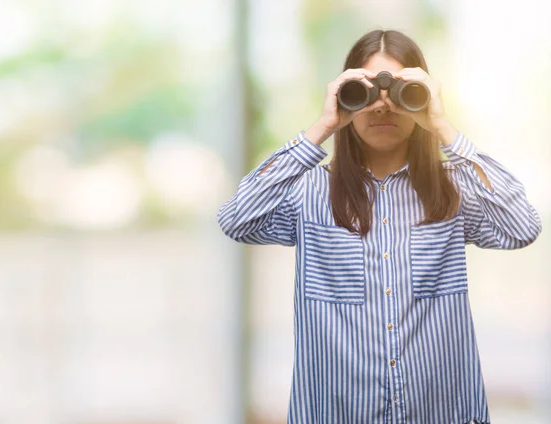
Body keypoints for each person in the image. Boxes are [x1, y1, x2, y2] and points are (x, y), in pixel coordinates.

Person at [216, 29, 542, 424]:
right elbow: (235, 219)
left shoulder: (453, 189)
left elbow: (522, 227)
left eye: (402, 90)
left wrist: (444, 129)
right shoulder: (310, 191)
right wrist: (322, 127)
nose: (382, 106)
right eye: (365, 90)